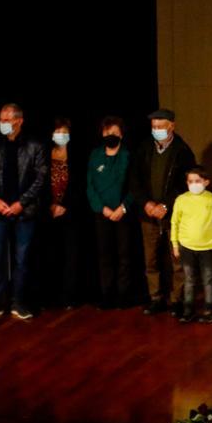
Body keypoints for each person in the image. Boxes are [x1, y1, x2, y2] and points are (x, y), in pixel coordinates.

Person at [0, 103, 48, 322]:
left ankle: (19, 301)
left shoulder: (34, 145)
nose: (3, 124)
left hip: (24, 211)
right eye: (1, 120)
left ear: (19, 121)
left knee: (22, 259)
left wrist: (22, 202)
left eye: (7, 120)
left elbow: (40, 178)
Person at [129, 109, 196, 316]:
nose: (156, 130)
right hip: (147, 213)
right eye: (153, 127)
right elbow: (135, 179)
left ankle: (177, 300)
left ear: (171, 126)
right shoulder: (144, 148)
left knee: (176, 260)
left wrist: (165, 205)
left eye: (160, 126)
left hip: (173, 215)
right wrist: (146, 203)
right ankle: (156, 298)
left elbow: (185, 184)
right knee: (151, 259)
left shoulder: (182, 151)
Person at [88, 116, 136, 309]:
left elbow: (135, 186)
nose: (111, 136)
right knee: (104, 255)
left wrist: (123, 207)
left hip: (123, 213)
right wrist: (103, 209)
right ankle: (107, 294)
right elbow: (90, 186)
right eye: (108, 133)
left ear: (122, 135)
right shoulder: (95, 155)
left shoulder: (128, 156)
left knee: (125, 254)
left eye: (115, 133)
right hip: (103, 214)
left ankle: (124, 295)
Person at [43, 117, 89, 309]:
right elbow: (39, 180)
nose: (60, 136)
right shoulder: (44, 154)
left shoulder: (77, 155)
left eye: (64, 132)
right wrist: (50, 205)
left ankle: (69, 297)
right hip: (47, 211)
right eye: (57, 132)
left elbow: (80, 184)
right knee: (51, 255)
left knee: (71, 256)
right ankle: (50, 297)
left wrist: (65, 205)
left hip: (71, 212)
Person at [171, 166, 212, 323]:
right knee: (189, 279)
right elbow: (175, 223)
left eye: (198, 181)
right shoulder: (181, 200)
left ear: (206, 182)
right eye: (190, 181)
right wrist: (175, 244)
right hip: (186, 246)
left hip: (208, 246)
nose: (194, 184)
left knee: (208, 279)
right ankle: (188, 310)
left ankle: (209, 309)